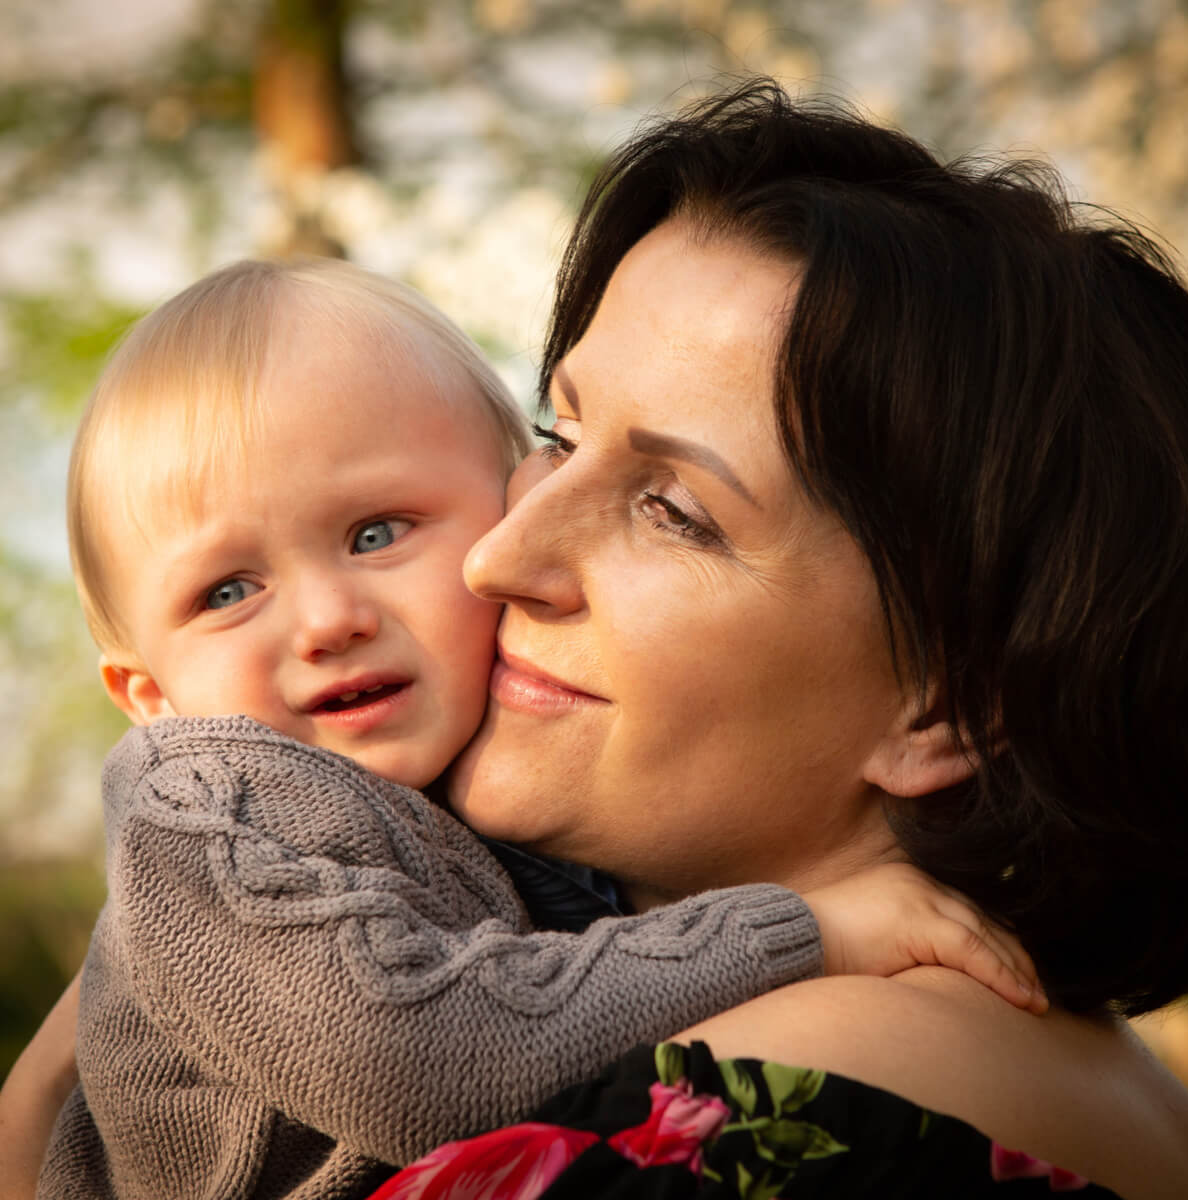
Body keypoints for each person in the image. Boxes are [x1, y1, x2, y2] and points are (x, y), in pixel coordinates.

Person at [13, 257, 1038, 1200]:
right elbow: (410, 1057)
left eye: (378, 533)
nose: (329, 619)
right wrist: (808, 931)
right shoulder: (215, 805)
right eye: (229, 590)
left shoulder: (474, 812)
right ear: (146, 695)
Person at [361, 82, 1188, 1197]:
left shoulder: (758, 1114)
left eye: (674, 512)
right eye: (558, 434)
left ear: (951, 706)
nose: (498, 557)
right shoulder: (1073, 1082)